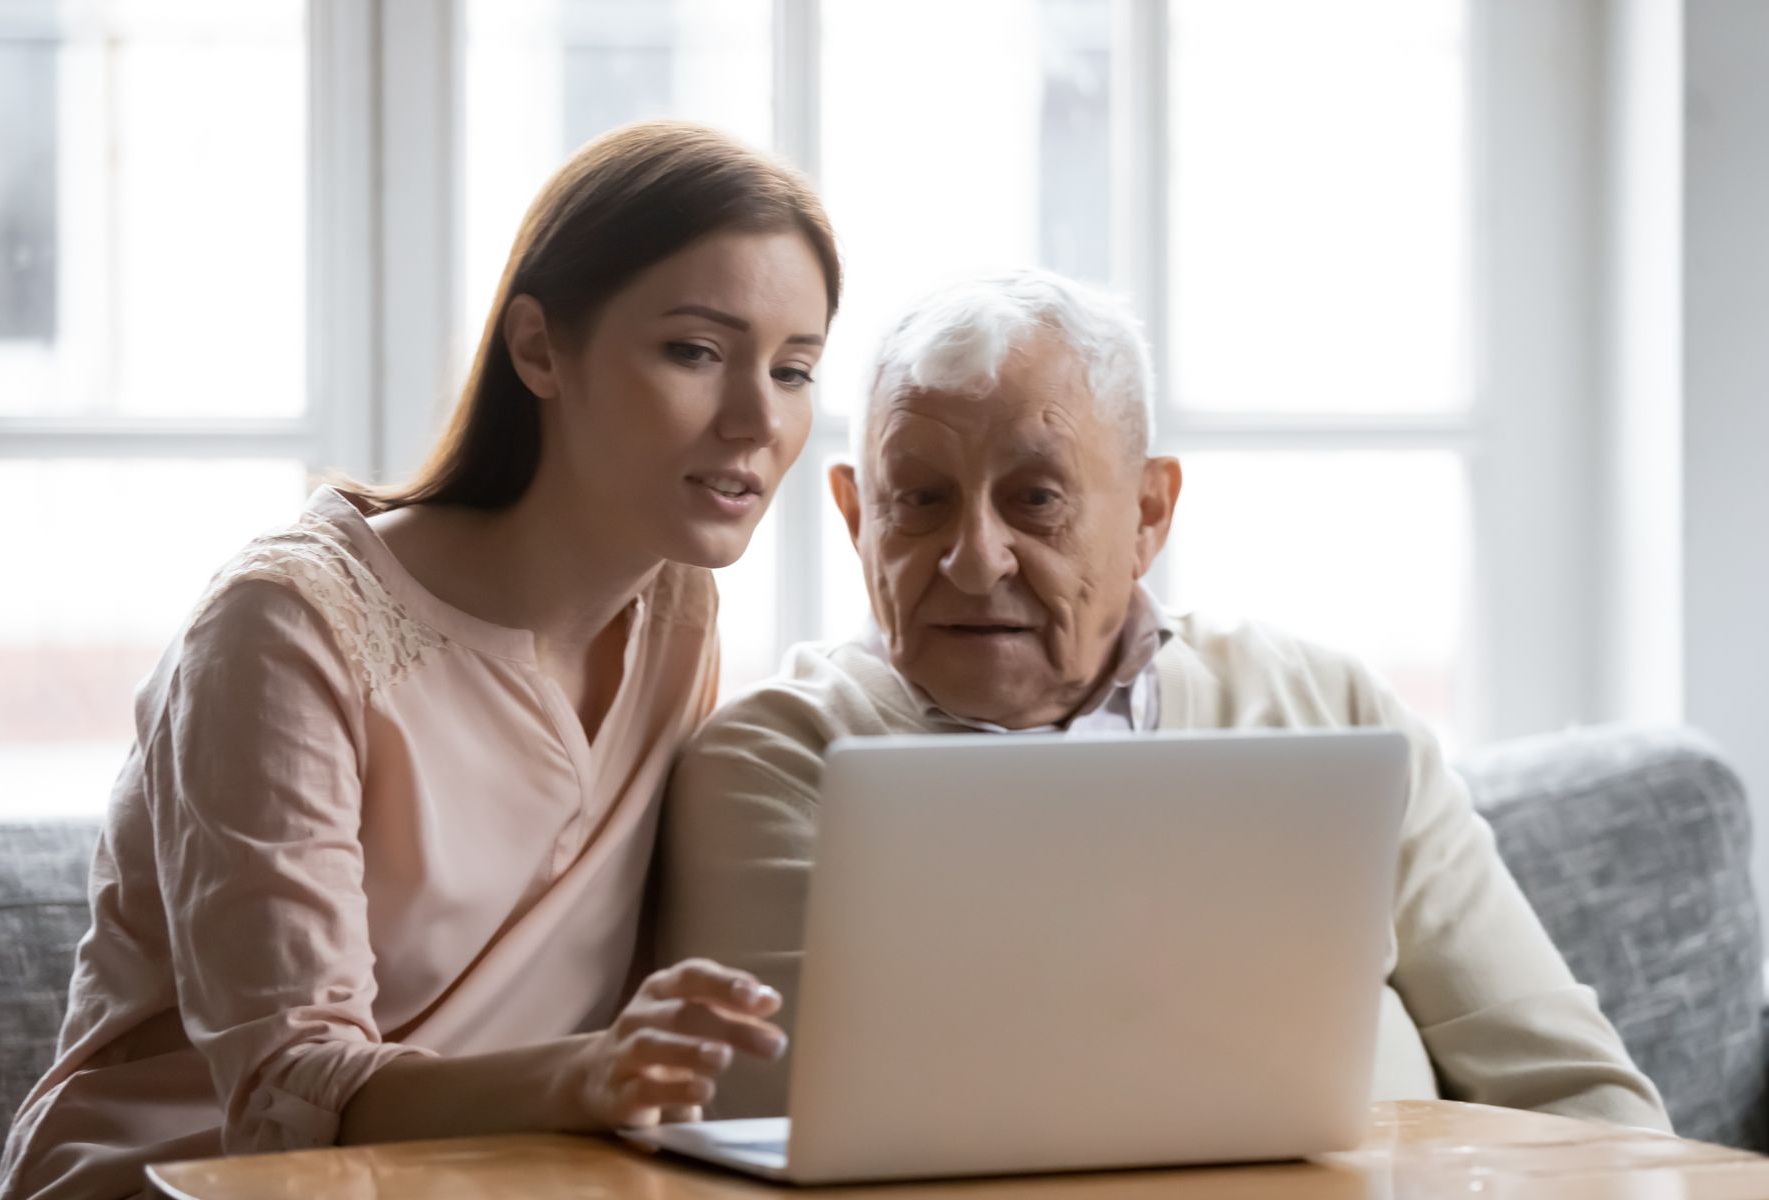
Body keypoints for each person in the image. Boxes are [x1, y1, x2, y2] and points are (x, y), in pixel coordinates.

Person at [0, 120, 839, 1200]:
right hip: (185, 1182)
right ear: (539, 350)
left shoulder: (679, 610)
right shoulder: (282, 628)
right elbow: (288, 1092)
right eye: (696, 352)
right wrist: (587, 1076)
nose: (758, 419)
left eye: (795, 369)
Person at [654, 268, 1673, 1131]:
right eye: (919, 501)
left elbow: (1577, 1092)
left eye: (1036, 499)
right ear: (855, 515)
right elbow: (793, 1123)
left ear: (1149, 512)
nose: (973, 560)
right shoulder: (778, 758)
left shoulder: (1328, 705)